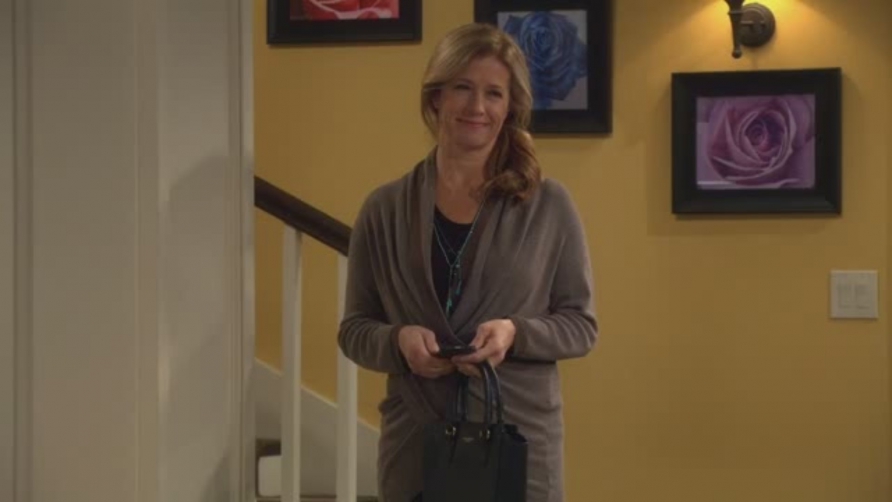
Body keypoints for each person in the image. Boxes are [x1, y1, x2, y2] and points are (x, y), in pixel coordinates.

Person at [337, 22, 598, 502]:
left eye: (494, 93)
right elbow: (354, 330)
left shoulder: (548, 206)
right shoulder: (384, 209)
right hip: (416, 450)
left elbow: (581, 326)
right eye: (463, 87)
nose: (477, 107)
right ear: (436, 97)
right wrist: (398, 341)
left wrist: (515, 333)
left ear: (510, 107)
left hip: (518, 449)